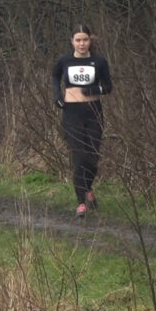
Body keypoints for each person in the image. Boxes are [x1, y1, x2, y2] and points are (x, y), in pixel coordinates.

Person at [52, 25, 113, 217]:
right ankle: (81, 204)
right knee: (79, 158)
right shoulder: (64, 60)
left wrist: (93, 91)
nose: (81, 44)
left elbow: (108, 87)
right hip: (72, 114)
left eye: (85, 40)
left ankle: (87, 188)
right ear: (72, 41)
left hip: (94, 113)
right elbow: (55, 76)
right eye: (78, 40)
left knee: (92, 157)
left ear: (90, 41)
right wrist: (57, 96)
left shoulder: (99, 61)